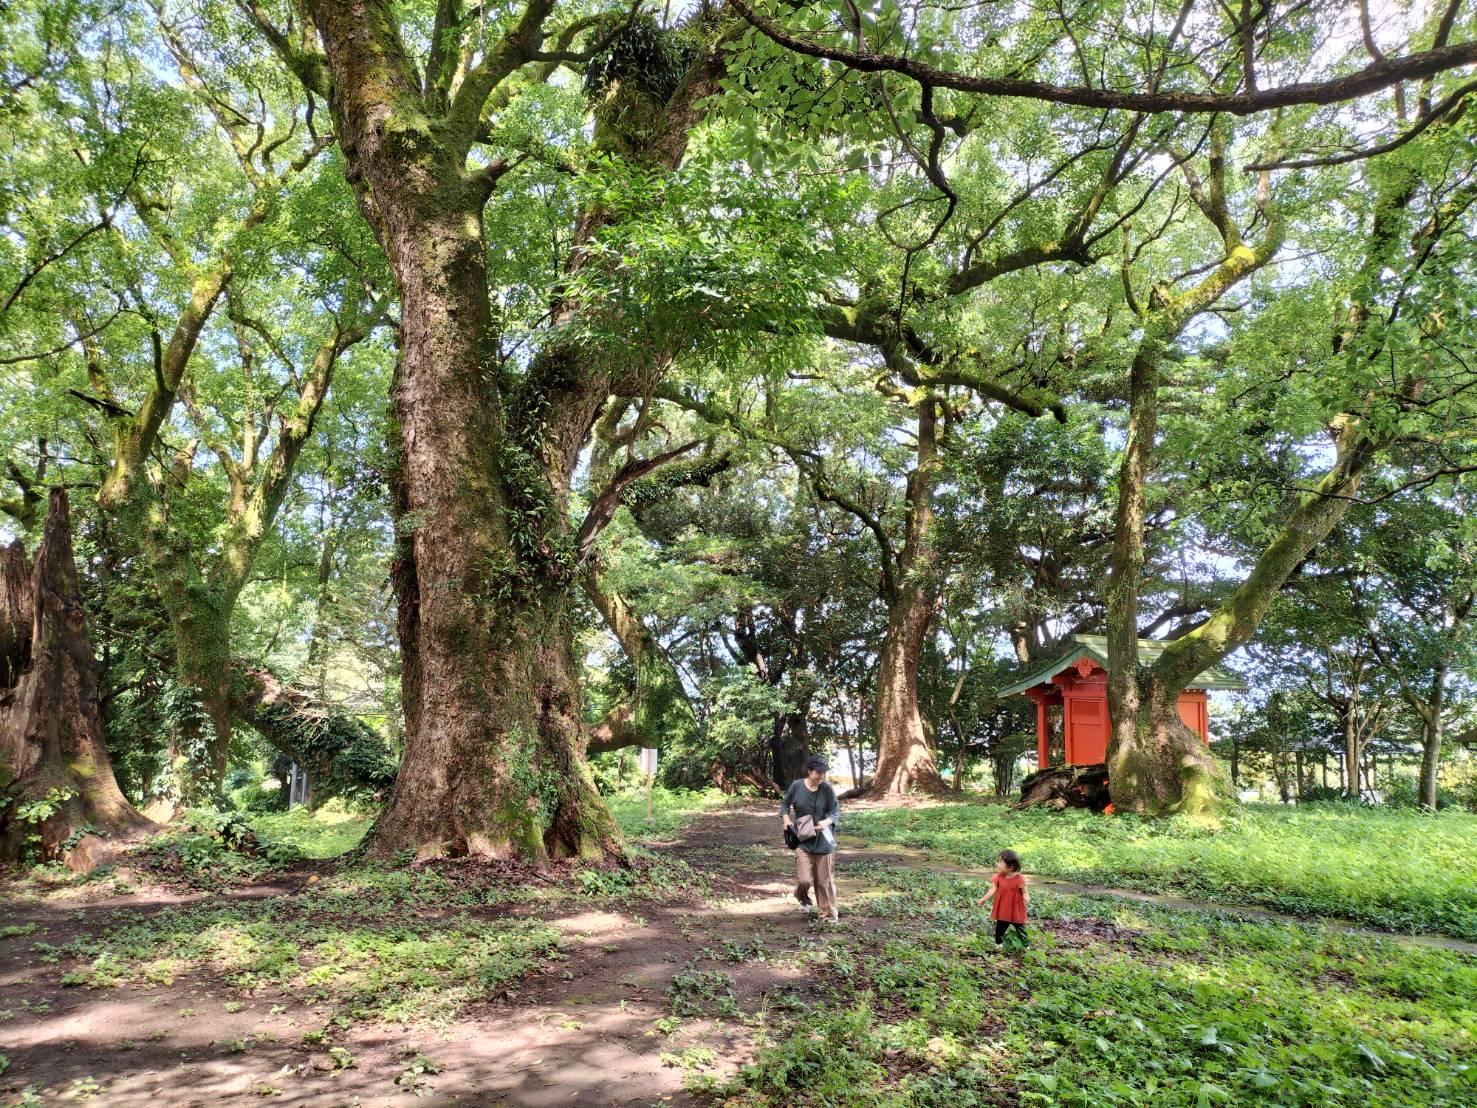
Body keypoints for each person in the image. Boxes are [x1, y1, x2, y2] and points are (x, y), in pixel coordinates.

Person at [780, 755, 840, 922]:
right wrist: (786, 820)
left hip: (823, 843)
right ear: (809, 771)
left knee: (824, 882)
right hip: (803, 842)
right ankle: (802, 897)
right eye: (818, 772)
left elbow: (835, 811)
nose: (821, 776)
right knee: (804, 880)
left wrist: (826, 822)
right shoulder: (797, 786)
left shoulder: (827, 789)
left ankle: (827, 915)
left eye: (823, 773)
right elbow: (785, 804)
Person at [977, 849, 1028, 947]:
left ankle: (1025, 945)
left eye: (1000, 862)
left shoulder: (1019, 878)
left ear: (1011, 866)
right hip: (1003, 909)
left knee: (1020, 926)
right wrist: (984, 898)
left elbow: (1025, 892)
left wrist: (1026, 897)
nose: (997, 864)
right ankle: (998, 944)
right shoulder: (999, 877)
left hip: (1016, 908)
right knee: (1000, 926)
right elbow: (993, 889)